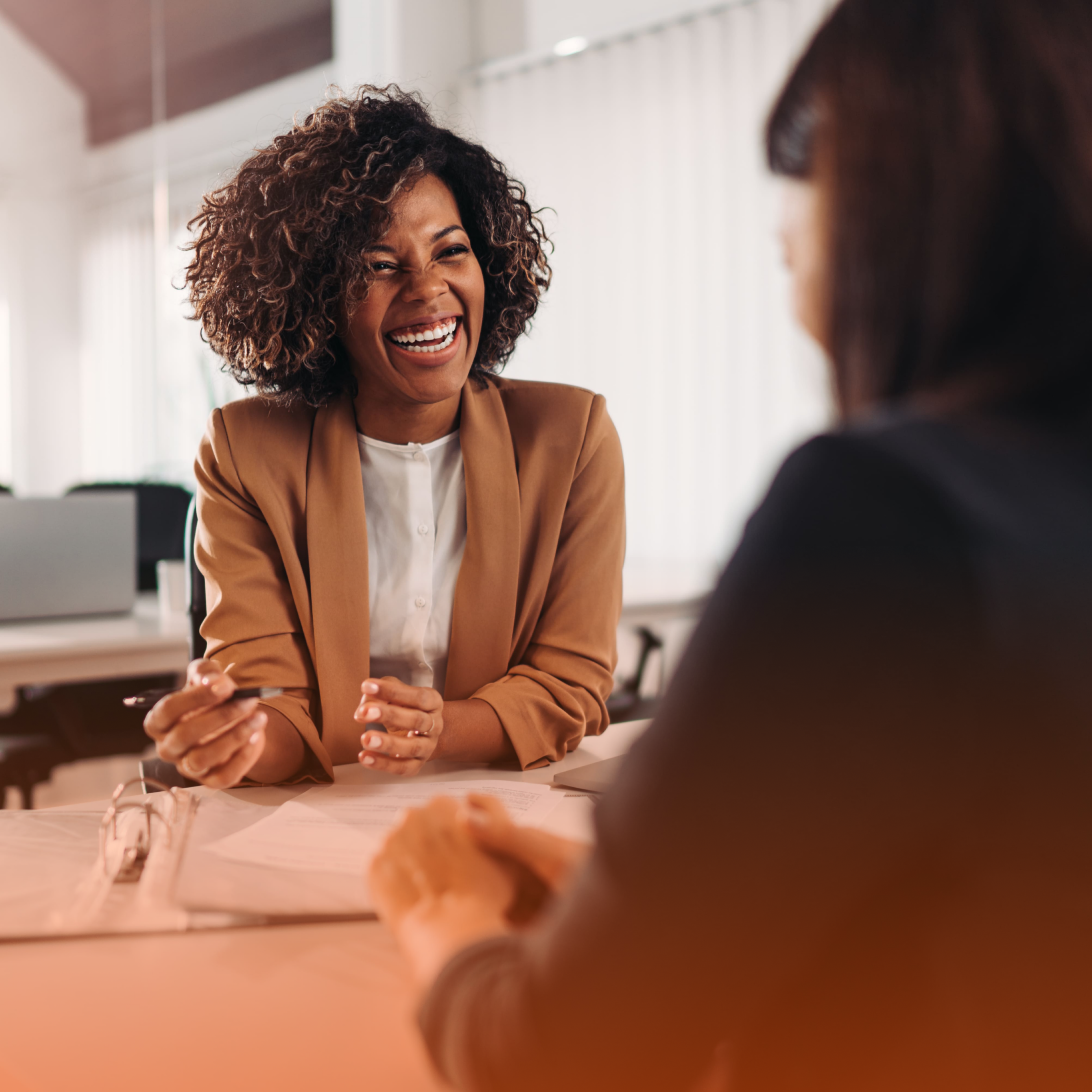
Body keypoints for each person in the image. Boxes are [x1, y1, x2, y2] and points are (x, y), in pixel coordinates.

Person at [368, 0, 1092, 1088]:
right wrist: (655, 893)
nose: (783, 235)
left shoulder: (878, 518)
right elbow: (979, 891)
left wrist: (446, 923)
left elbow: (558, 1059)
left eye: (808, 179)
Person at [141, 89, 625, 787]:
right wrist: (234, 737)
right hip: (320, 815)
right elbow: (274, 705)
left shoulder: (571, 438)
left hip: (501, 800)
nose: (427, 290)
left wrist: (441, 730)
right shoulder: (246, 452)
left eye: (450, 250)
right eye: (377, 265)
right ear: (316, 297)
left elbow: (569, 684)